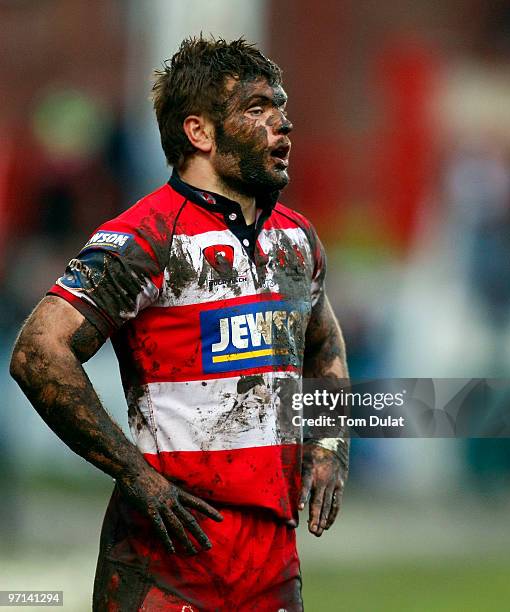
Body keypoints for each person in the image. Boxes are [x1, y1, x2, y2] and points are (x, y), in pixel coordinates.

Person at [10, 36, 349, 611]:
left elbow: (324, 342)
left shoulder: (297, 238)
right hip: (167, 560)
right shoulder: (147, 238)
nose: (283, 125)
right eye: (258, 110)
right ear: (200, 133)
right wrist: (135, 475)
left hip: (271, 562)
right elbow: (38, 351)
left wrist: (330, 443)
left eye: (282, 109)